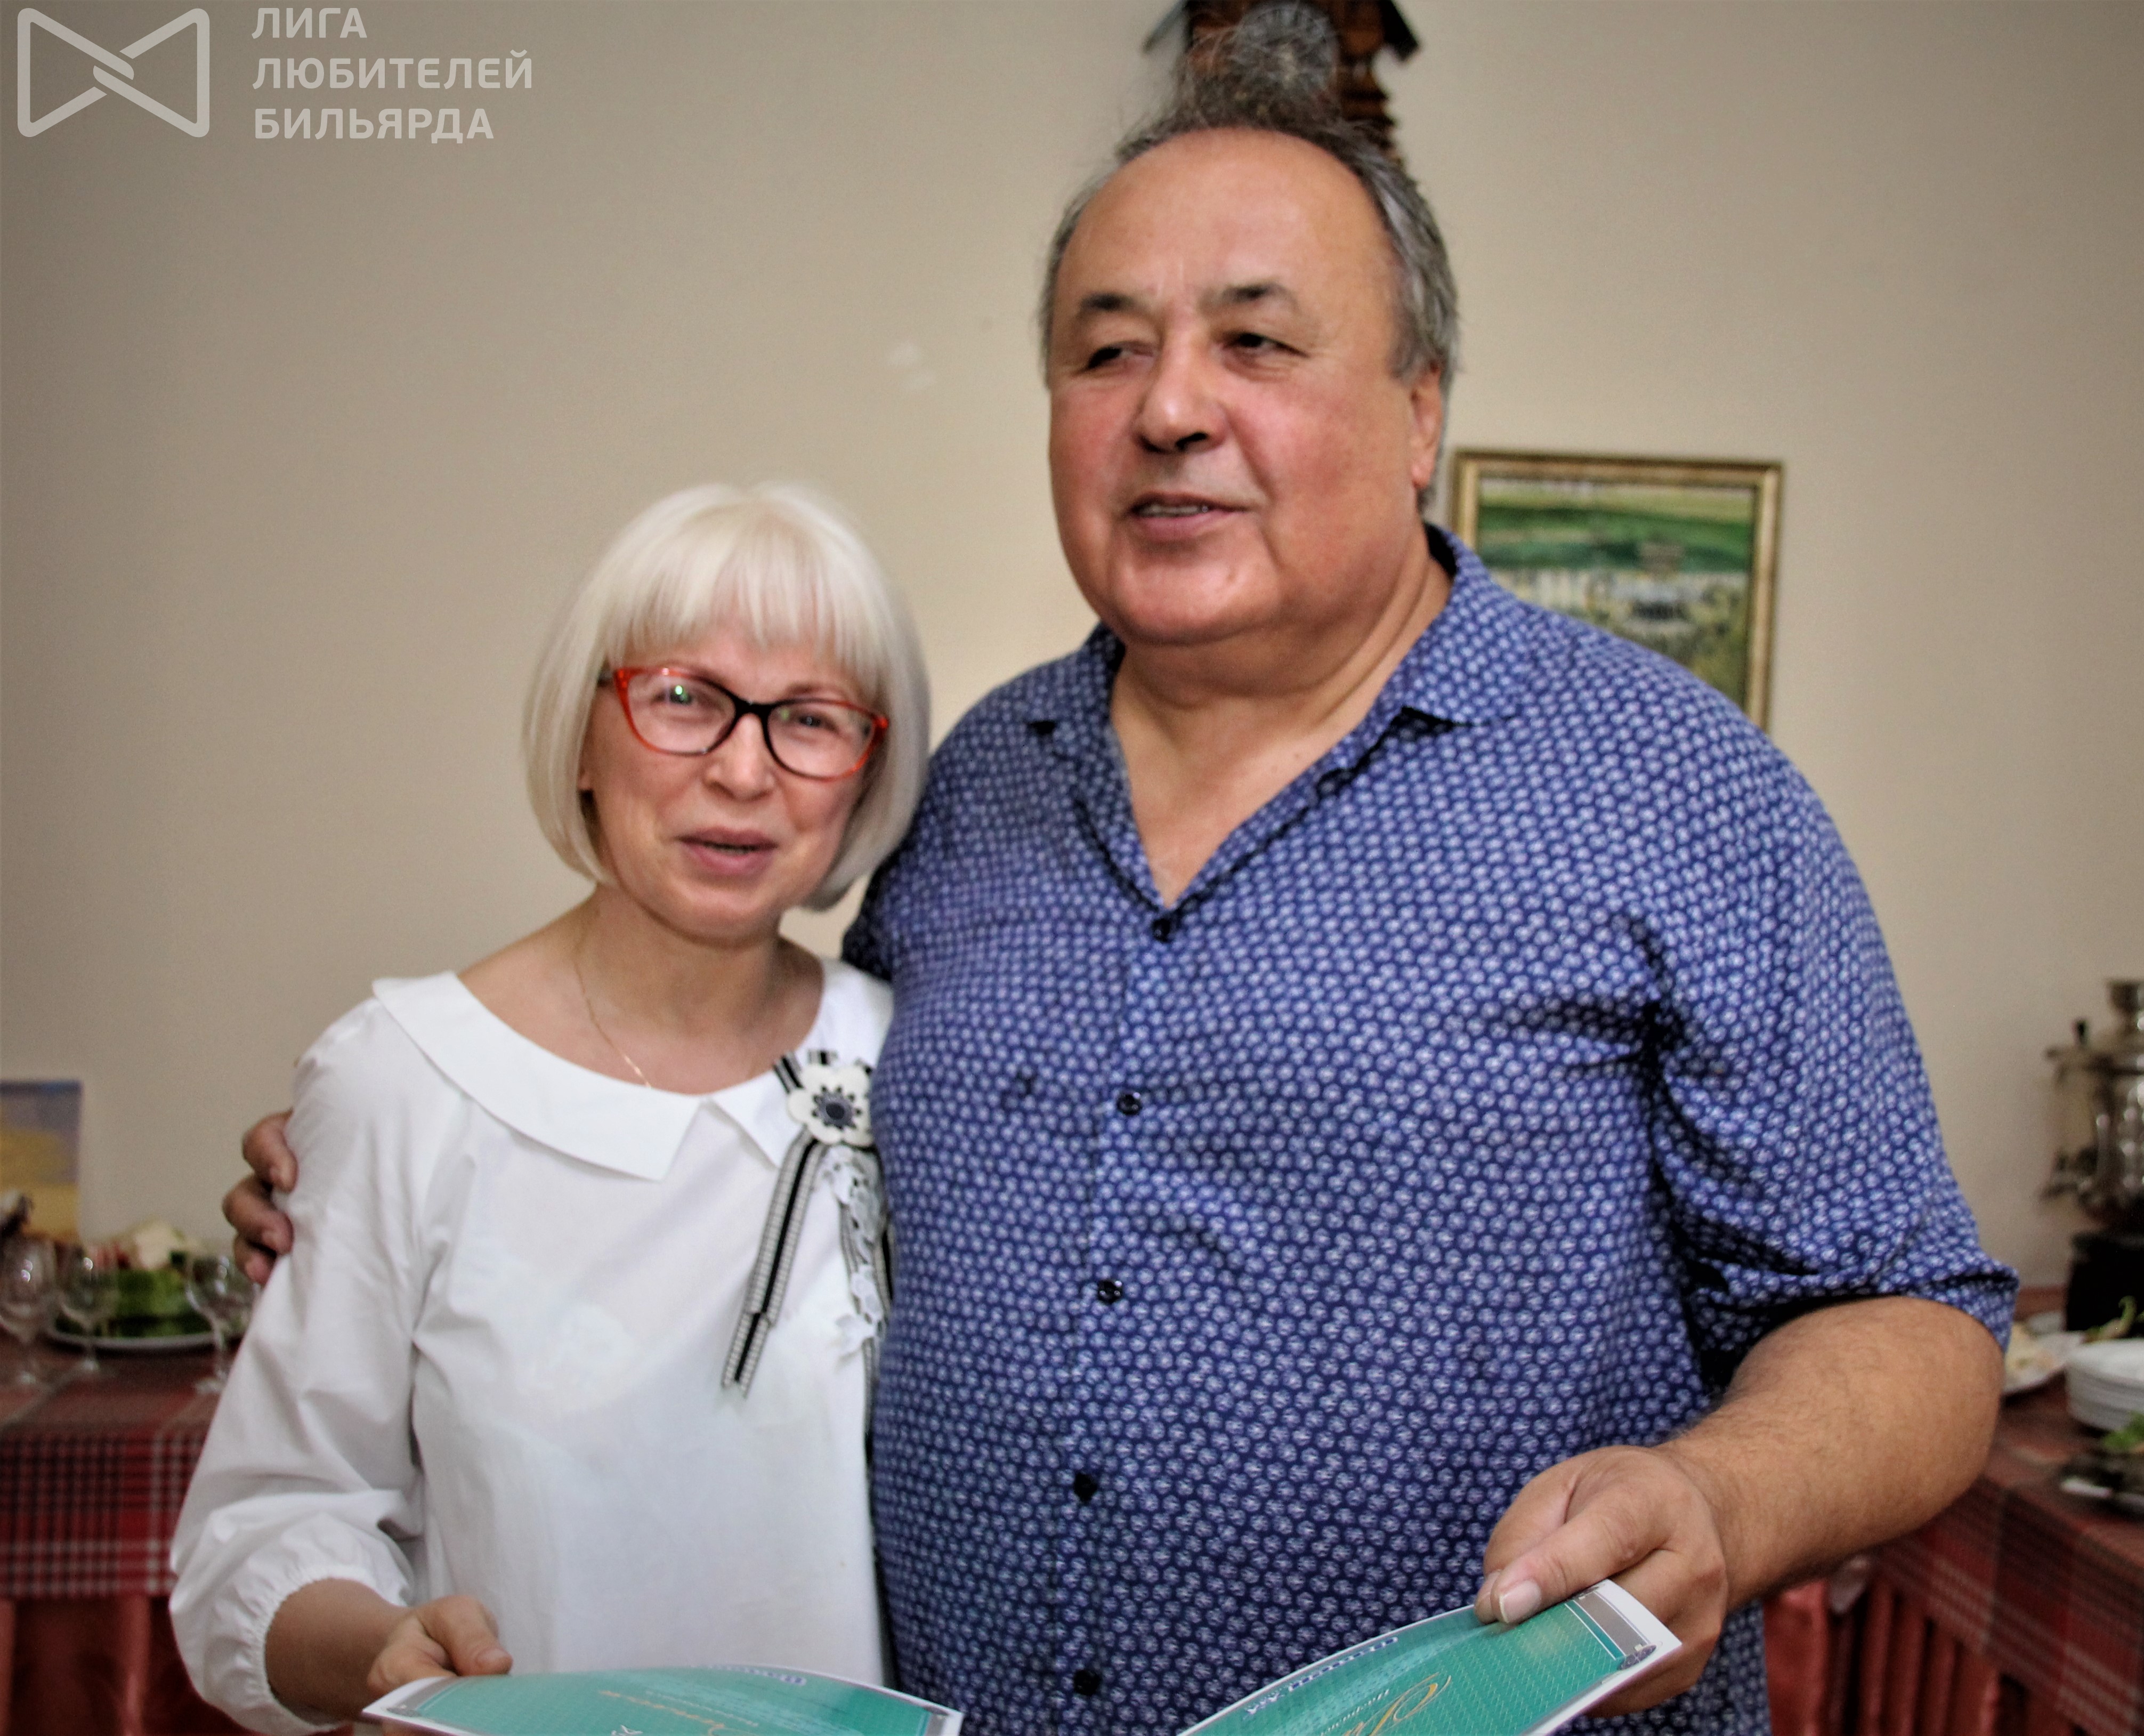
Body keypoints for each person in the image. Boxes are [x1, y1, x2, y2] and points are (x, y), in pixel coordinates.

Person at [231, 11, 2013, 1733]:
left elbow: (1915, 1318)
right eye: (1104, 352)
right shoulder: (969, 790)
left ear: (1416, 410)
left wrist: (1721, 1496)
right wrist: (402, 1162)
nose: (1167, 406)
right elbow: (754, 1116)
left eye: (1254, 342)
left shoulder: (1670, 790)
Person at [176, 483, 929, 1736]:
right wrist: (380, 1651)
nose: (743, 769)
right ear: (582, 738)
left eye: (809, 719)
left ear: (866, 772)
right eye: (682, 698)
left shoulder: (911, 1056)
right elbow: (264, 1529)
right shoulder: (405, 1080)